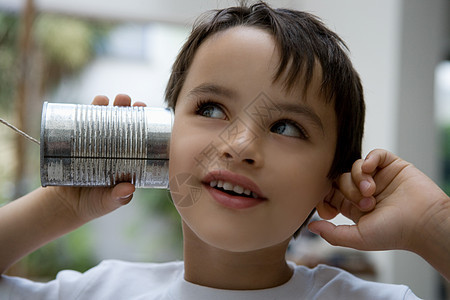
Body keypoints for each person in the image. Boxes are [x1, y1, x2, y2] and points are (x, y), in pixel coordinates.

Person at [0, 2, 448, 299]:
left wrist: (432, 225)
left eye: (286, 126)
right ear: (164, 139)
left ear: (332, 179)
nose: (240, 147)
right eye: (211, 108)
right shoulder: (100, 292)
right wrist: (61, 204)